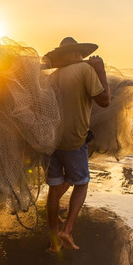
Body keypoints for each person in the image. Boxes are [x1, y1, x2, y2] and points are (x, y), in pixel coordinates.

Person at [44, 37, 111, 252]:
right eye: (79, 54)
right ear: (74, 54)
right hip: (74, 140)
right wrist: (100, 70)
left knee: (54, 190)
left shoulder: (51, 78)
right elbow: (105, 100)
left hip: (51, 141)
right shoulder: (85, 69)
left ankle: (54, 241)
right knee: (81, 182)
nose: (82, 57)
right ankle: (67, 230)